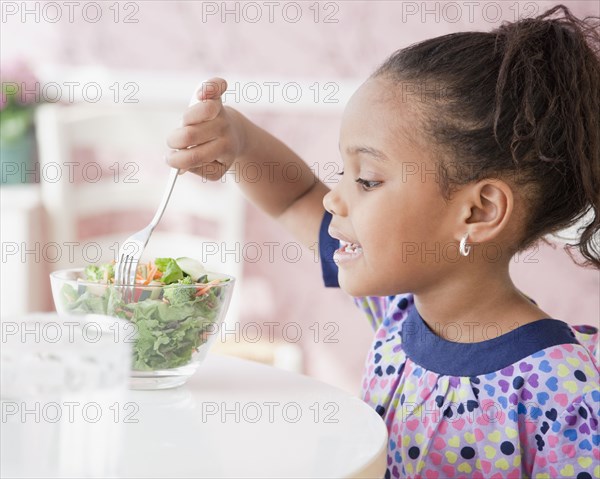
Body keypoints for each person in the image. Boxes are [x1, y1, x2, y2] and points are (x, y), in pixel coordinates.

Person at [166, 5, 599, 478]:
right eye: (344, 172)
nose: (334, 199)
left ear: (479, 211)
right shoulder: (397, 312)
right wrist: (239, 141)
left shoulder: (566, 392)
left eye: (368, 180)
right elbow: (295, 198)